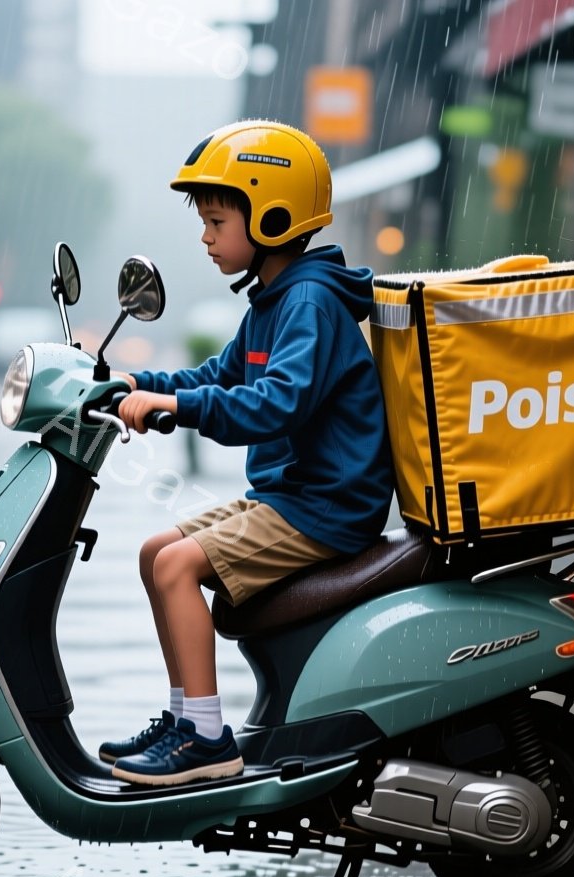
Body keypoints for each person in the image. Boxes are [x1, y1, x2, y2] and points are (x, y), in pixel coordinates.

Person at [102, 120, 395, 786]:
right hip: (291, 498)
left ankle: (207, 739)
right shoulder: (275, 299)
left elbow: (274, 404)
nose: (205, 237)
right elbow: (221, 376)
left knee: (177, 566)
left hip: (326, 508)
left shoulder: (310, 304)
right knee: (156, 552)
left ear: (271, 214)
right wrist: (144, 384)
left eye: (215, 221)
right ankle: (185, 720)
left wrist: (178, 410)